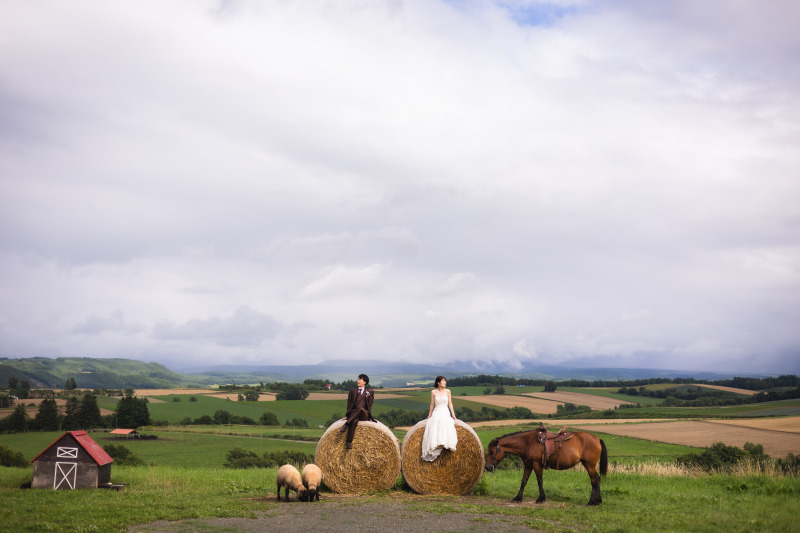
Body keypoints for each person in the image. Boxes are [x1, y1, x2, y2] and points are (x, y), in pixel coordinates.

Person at [421, 375, 458, 461]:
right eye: (443, 381)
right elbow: (432, 404)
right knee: (435, 421)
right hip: (437, 411)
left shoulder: (448, 391)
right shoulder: (433, 392)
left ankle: (444, 443)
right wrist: (429, 414)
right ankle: (436, 444)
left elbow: (450, 404)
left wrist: (453, 414)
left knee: (446, 422)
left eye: (445, 381)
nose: (445, 383)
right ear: (438, 383)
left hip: (445, 411)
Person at [339, 373, 375, 449]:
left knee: (360, 409)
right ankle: (349, 442)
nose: (358, 381)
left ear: (365, 382)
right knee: (354, 421)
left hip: (364, 414)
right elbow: (349, 403)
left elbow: (370, 405)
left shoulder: (370, 392)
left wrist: (369, 416)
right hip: (353, 413)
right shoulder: (352, 391)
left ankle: (346, 424)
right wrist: (348, 415)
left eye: (360, 379)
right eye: (358, 379)